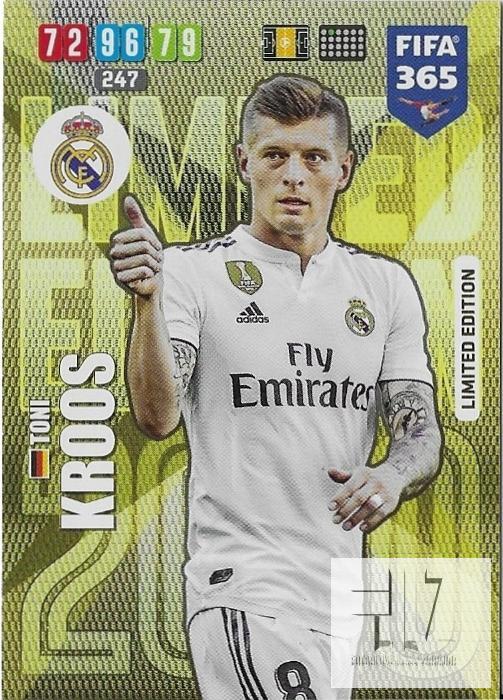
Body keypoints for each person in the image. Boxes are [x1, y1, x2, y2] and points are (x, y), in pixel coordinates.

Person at [109, 75, 442, 700]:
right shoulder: (190, 273)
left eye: (313, 157)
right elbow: (157, 416)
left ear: (343, 169)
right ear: (244, 164)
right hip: (246, 586)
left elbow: (420, 433)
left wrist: (392, 476)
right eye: (274, 156)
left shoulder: (386, 286)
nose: (294, 176)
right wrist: (147, 305)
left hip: (338, 594)